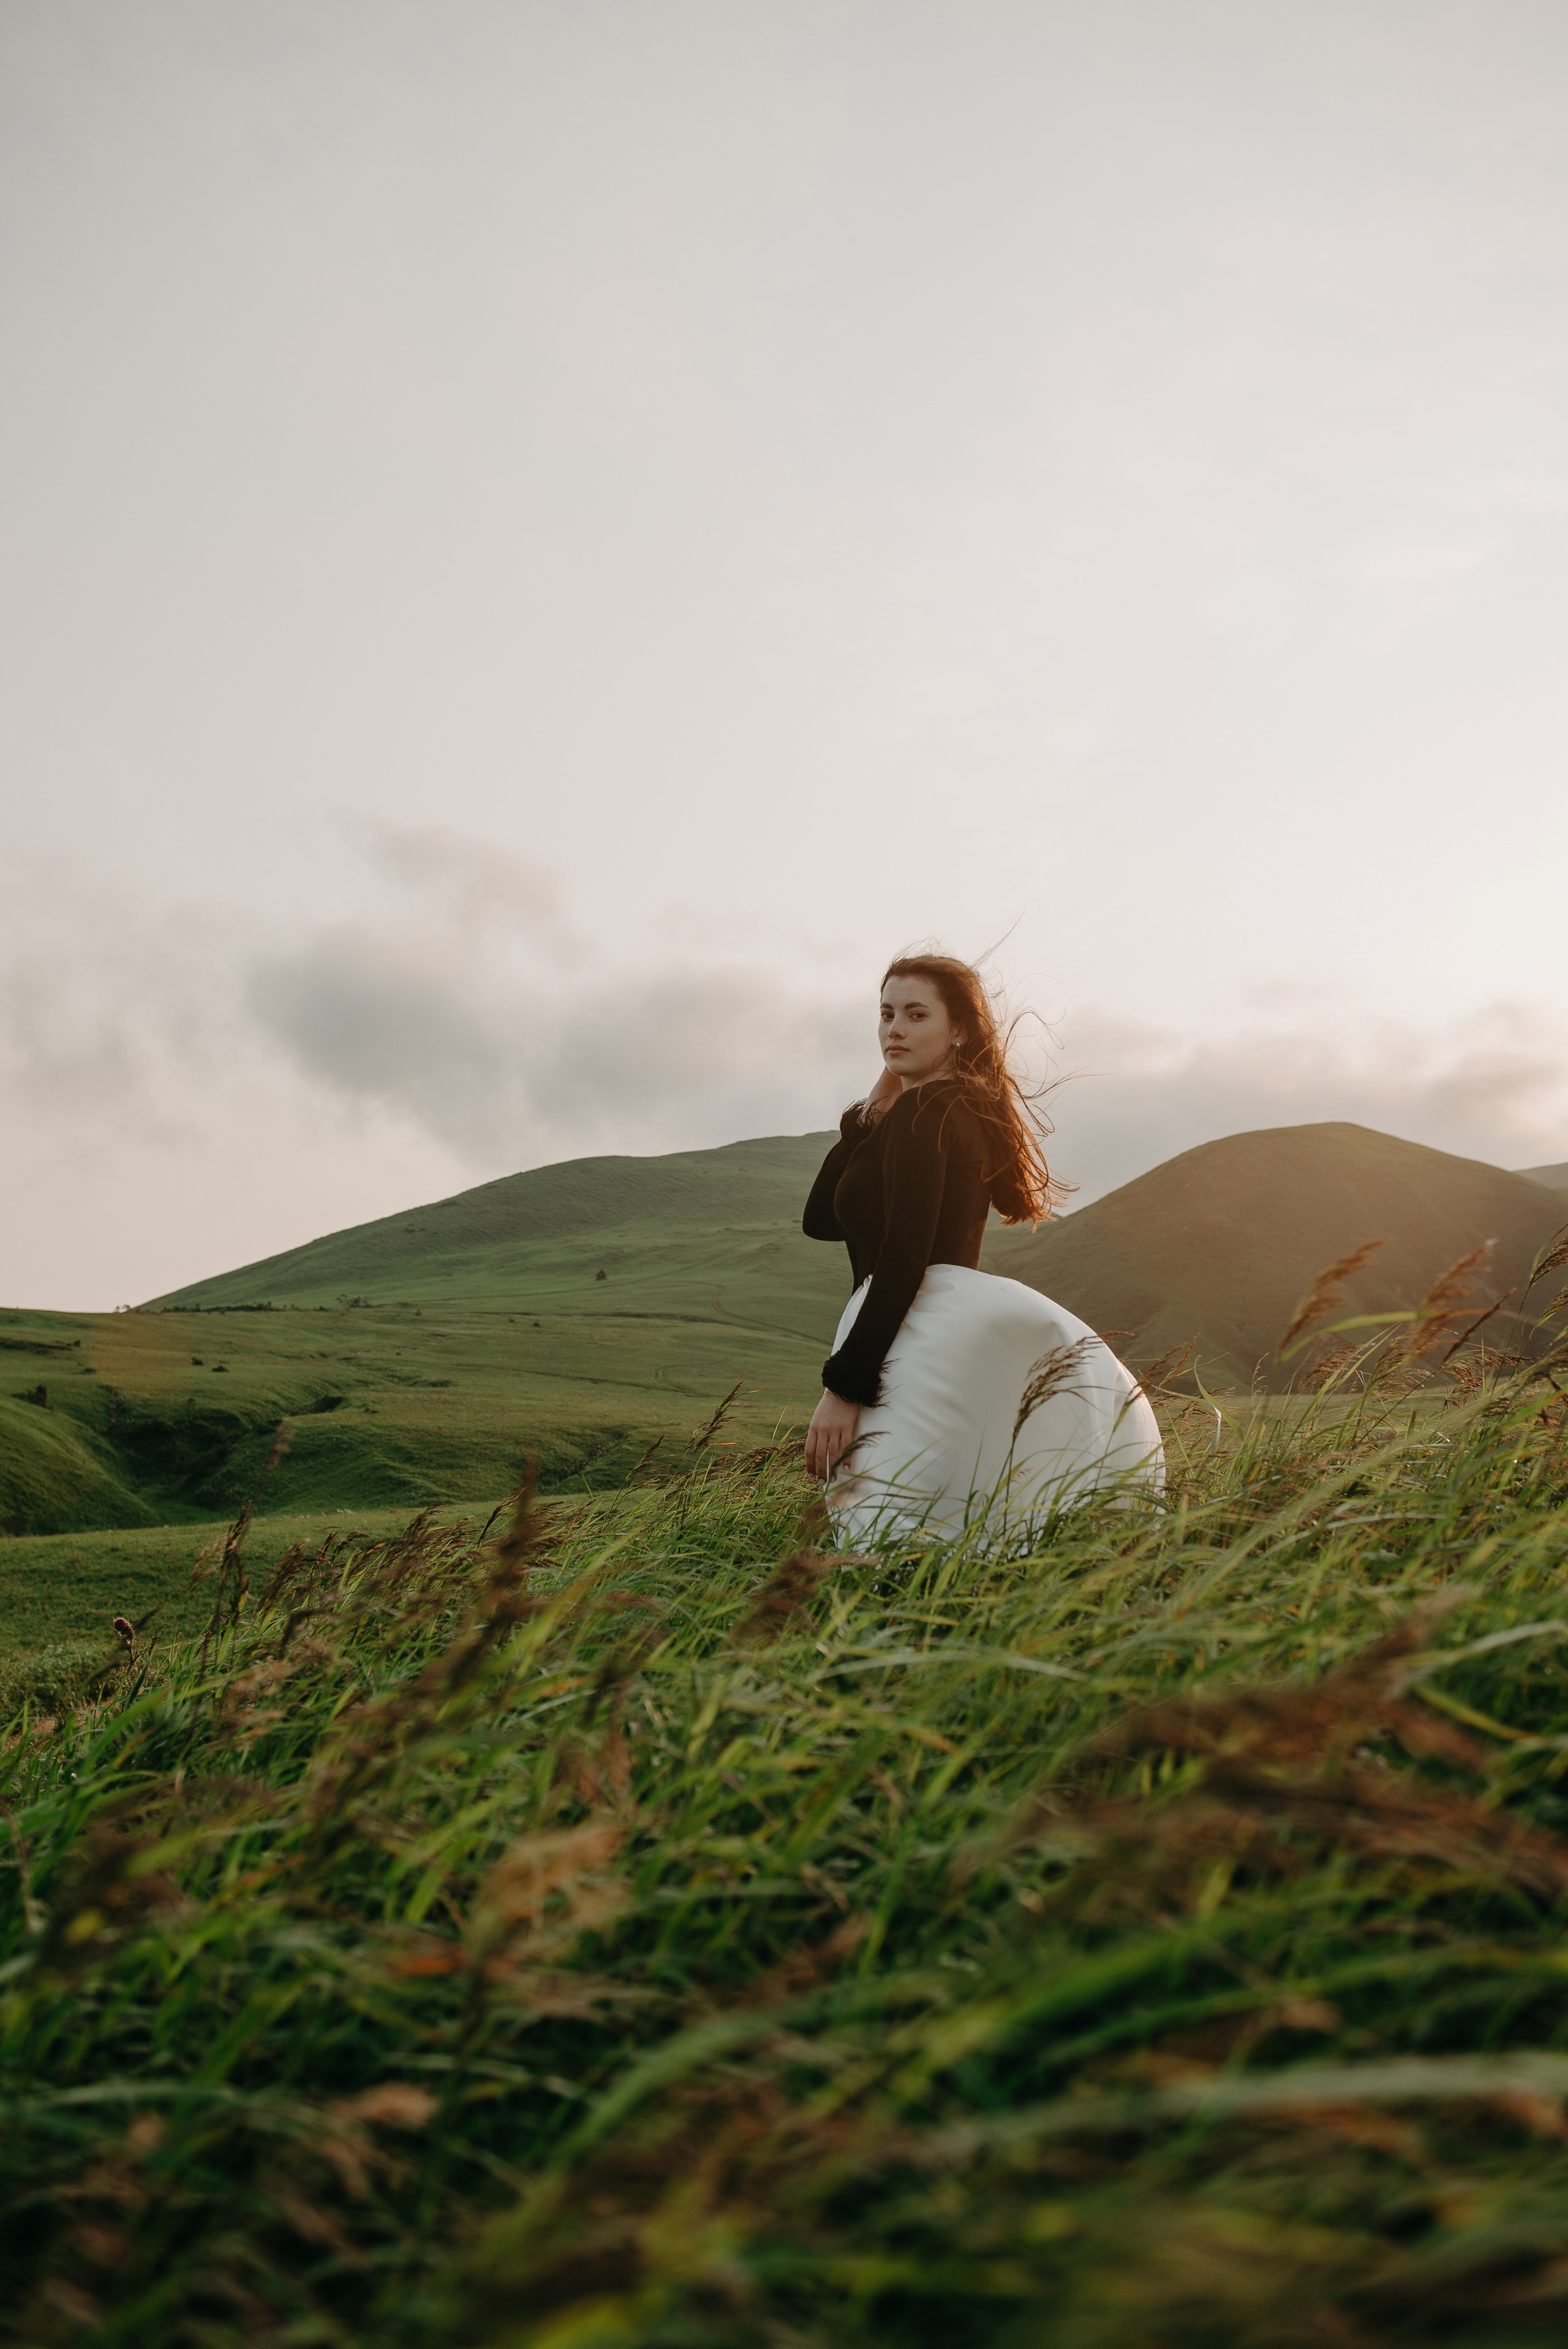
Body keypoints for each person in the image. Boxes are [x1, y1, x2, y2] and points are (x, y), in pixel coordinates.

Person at [802, 955, 1162, 1544]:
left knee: (886, 1529)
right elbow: (821, 1221)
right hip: (931, 1330)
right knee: (949, 1524)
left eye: (917, 1015)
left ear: (960, 1031)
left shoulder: (927, 1110)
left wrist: (844, 1388)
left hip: (913, 1334)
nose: (895, 1029)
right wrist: (870, 1114)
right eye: (887, 1014)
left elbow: (904, 1255)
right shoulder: (944, 1108)